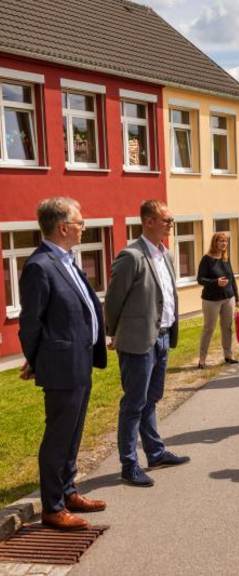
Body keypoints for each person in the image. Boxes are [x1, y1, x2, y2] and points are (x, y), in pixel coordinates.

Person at [18, 197, 107, 530]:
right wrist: (39, 361)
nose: (84, 227)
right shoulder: (40, 266)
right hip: (61, 366)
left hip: (80, 361)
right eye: (80, 222)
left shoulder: (68, 260)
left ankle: (68, 491)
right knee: (58, 437)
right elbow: (31, 323)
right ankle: (52, 507)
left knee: (73, 434)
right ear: (63, 227)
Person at [105, 200, 189, 488]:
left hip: (162, 335)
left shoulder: (165, 254)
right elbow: (114, 300)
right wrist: (111, 332)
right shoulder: (131, 256)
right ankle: (129, 465)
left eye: (171, 220)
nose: (170, 224)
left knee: (151, 398)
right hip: (138, 340)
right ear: (149, 221)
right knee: (133, 403)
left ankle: (155, 452)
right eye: (166, 220)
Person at [197, 232, 239, 369]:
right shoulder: (206, 259)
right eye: (221, 241)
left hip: (228, 298)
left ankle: (228, 355)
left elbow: (232, 279)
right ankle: (202, 359)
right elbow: (200, 279)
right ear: (214, 242)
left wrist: (237, 298)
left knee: (227, 328)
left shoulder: (225, 258)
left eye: (226, 241)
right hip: (211, 300)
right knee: (209, 328)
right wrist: (216, 282)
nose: (223, 244)